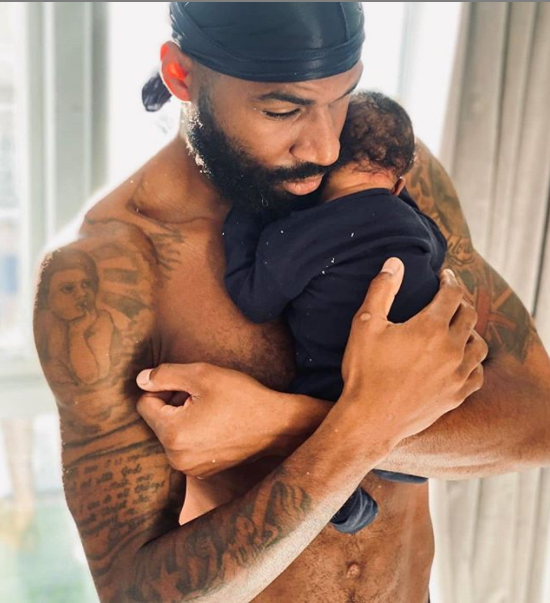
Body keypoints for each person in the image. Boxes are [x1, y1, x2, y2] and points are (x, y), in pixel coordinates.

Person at [32, 4, 549, 602]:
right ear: (180, 75)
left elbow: (536, 418)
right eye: (283, 110)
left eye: (342, 98)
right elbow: (132, 592)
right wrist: (361, 426)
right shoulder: (105, 273)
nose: (326, 147)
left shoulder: (379, 169)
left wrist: (281, 423)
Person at [222, 90, 445, 534]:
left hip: (336, 399)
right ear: (399, 184)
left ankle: (349, 508)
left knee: (292, 445)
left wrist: (245, 218)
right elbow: (439, 253)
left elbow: (254, 301)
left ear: (321, 166)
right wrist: (401, 205)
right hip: (423, 413)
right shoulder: (415, 226)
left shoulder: (300, 233)